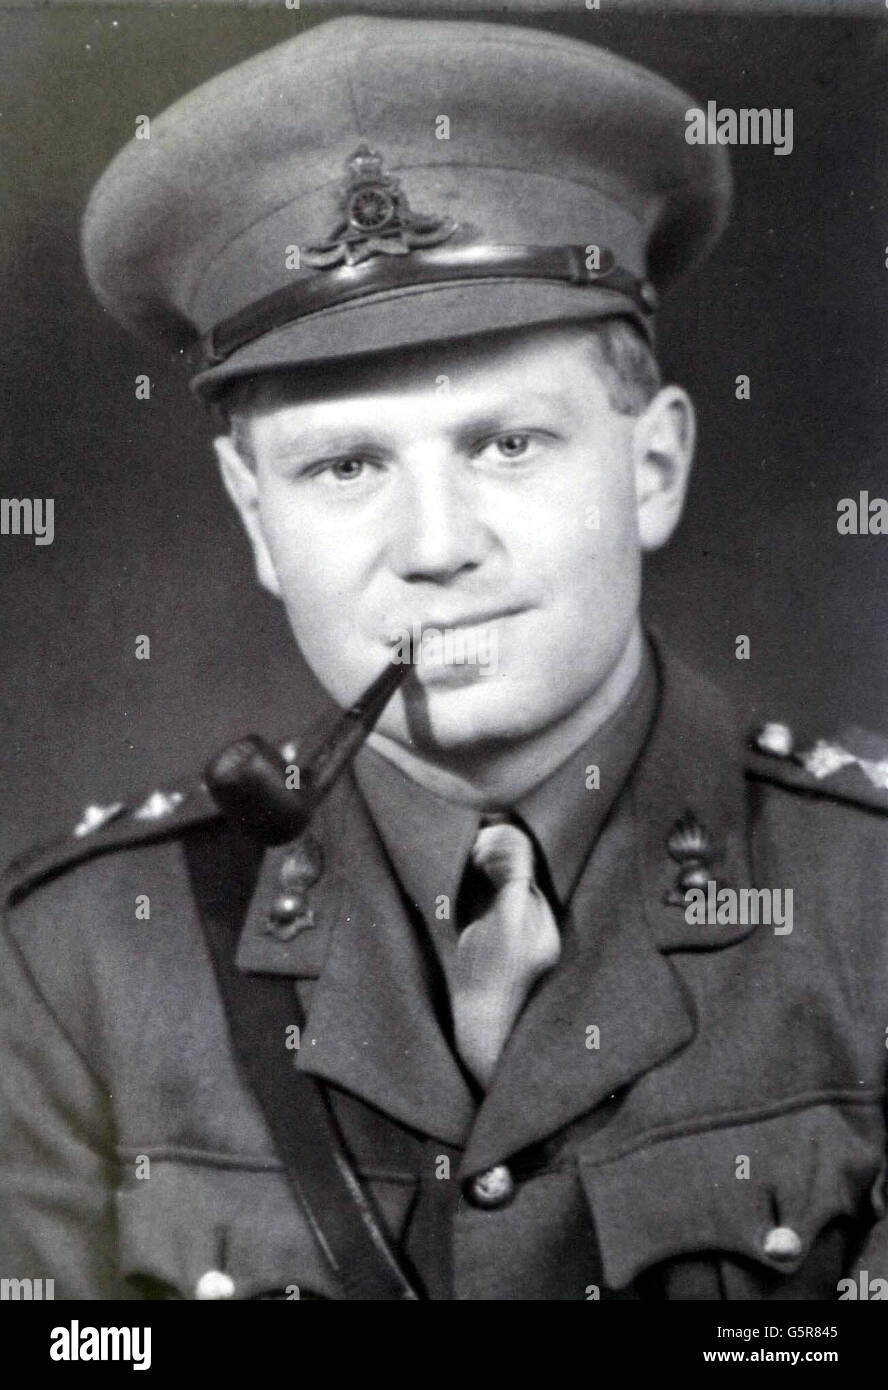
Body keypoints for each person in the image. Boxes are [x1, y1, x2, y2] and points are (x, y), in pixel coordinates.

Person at [2, 13, 887, 1302]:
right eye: (347, 466)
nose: (434, 547)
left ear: (653, 467)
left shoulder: (872, 913)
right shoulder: (72, 970)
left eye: (507, 446)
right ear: (258, 520)